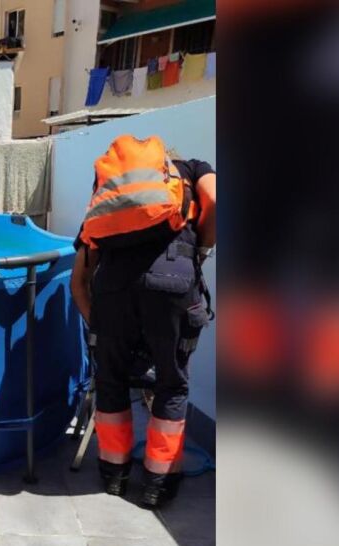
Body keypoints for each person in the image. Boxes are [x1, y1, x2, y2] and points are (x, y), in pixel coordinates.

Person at [70, 135, 216, 508]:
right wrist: (200, 248)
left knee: (112, 380)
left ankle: (113, 474)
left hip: (112, 289)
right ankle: (157, 482)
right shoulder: (191, 170)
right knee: (171, 385)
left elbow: (78, 281)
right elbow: (216, 200)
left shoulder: (110, 195)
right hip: (173, 284)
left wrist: (97, 322)